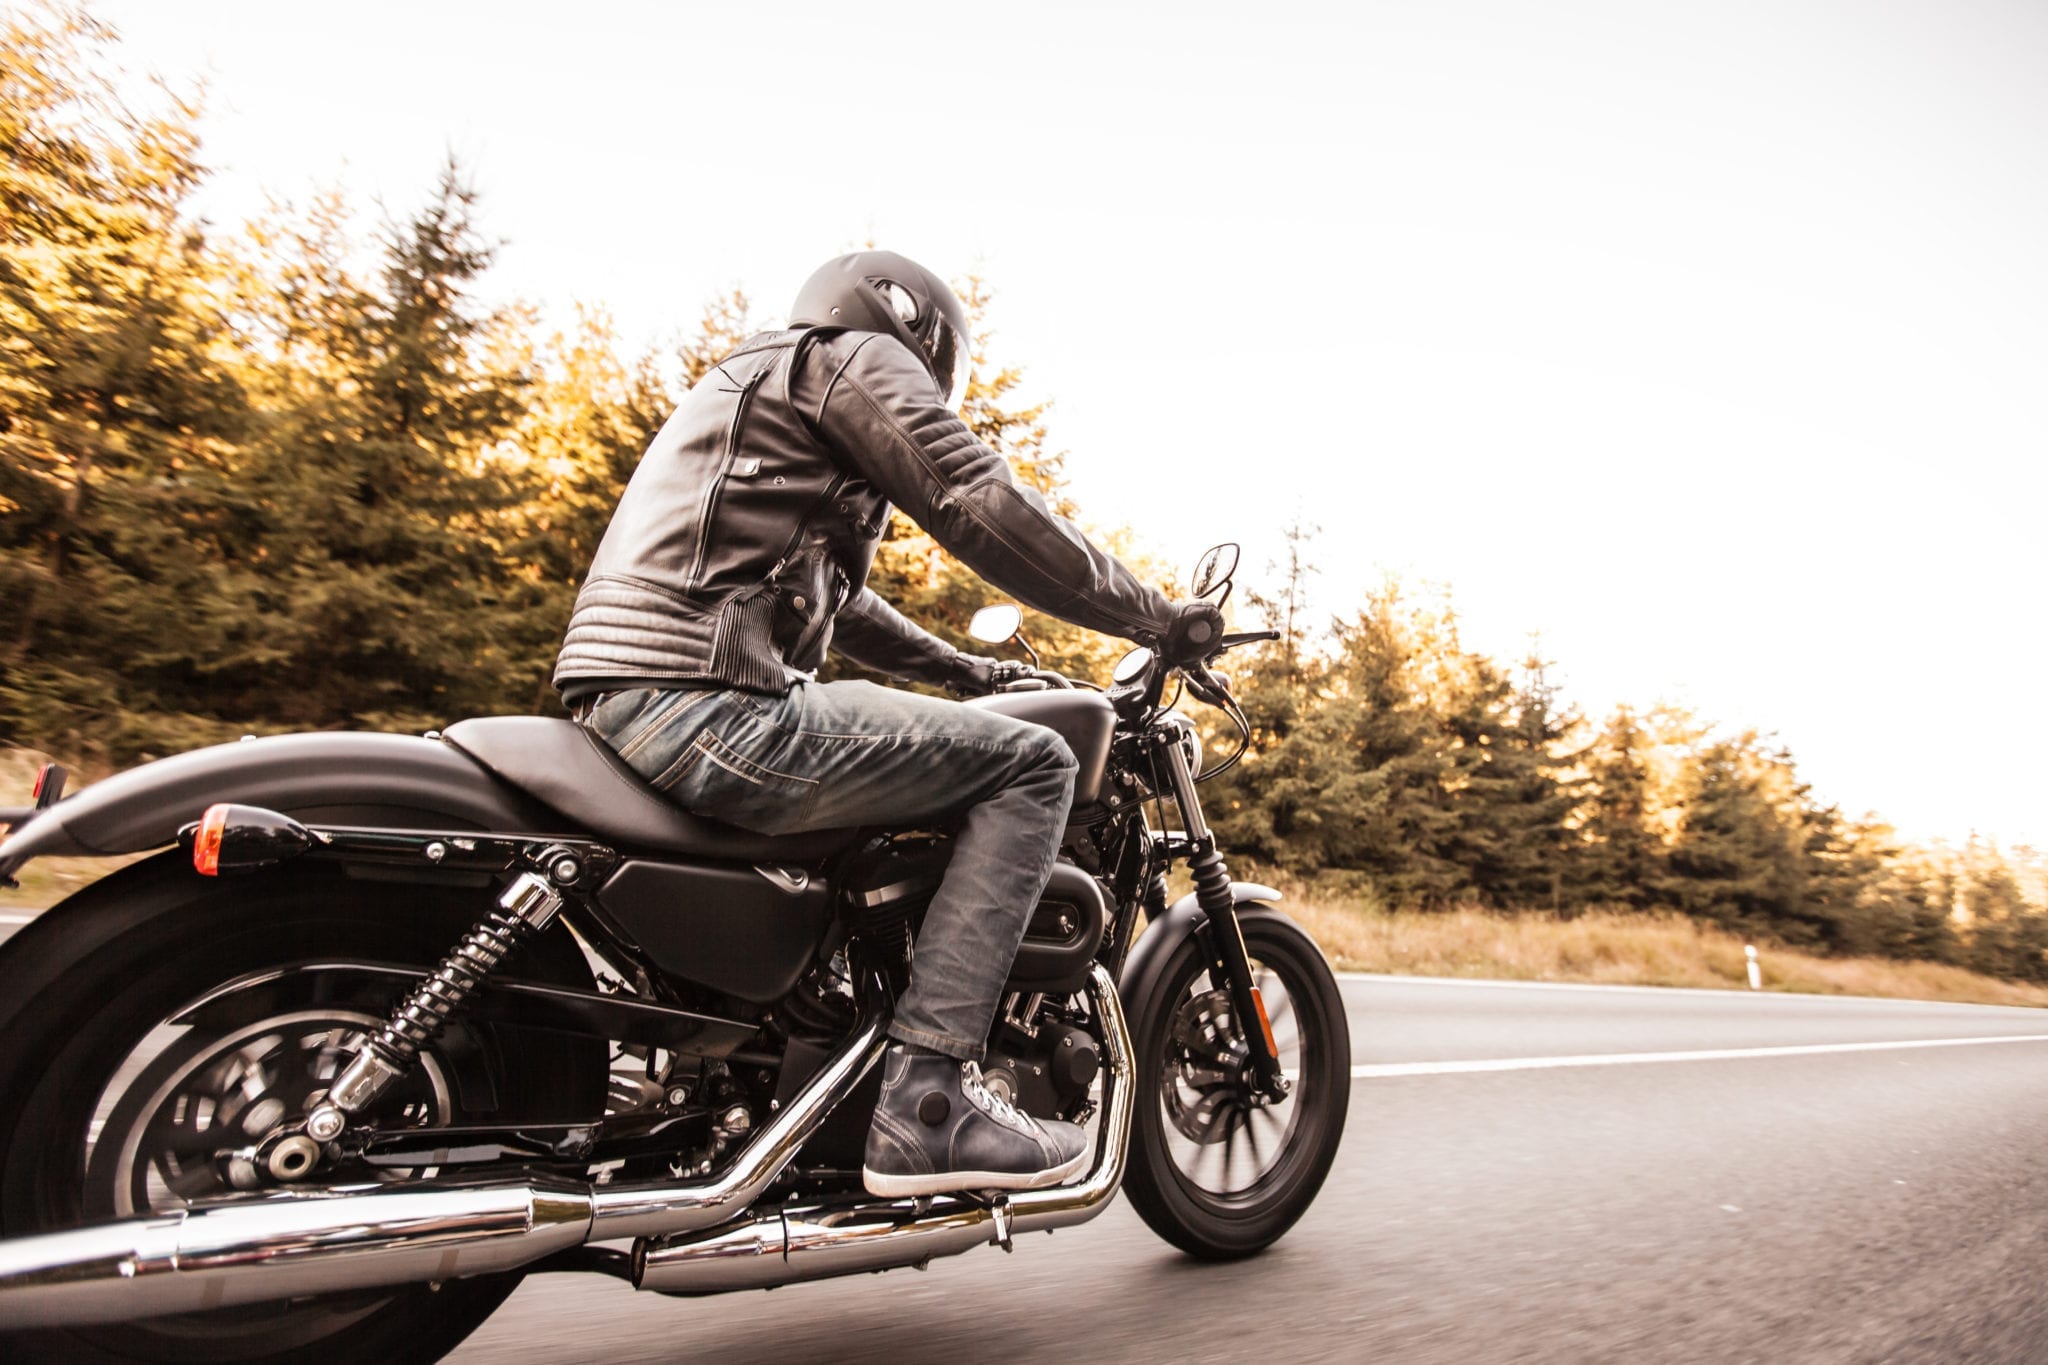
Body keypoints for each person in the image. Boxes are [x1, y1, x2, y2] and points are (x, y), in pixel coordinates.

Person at [554, 251, 1222, 1197]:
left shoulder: (756, 381)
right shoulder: (848, 359)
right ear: (915, 333)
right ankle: (932, 1101)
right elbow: (974, 498)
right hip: (710, 697)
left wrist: (965, 668)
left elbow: (839, 603)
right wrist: (1155, 615)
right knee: (1031, 765)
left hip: (633, 690)